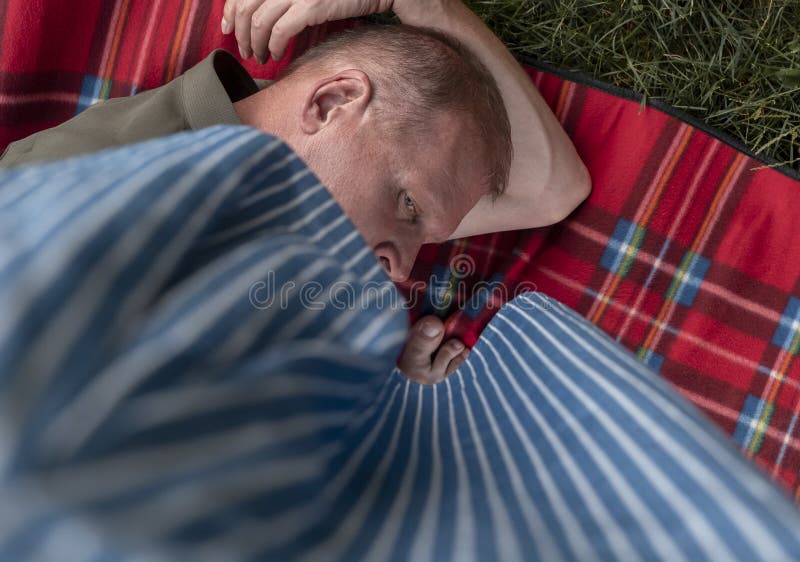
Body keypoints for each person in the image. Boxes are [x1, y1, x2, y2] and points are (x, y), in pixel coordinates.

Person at [0, 0, 591, 384]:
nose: (403, 271)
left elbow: (552, 188)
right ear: (330, 103)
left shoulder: (296, 211)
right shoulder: (93, 185)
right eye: (409, 207)